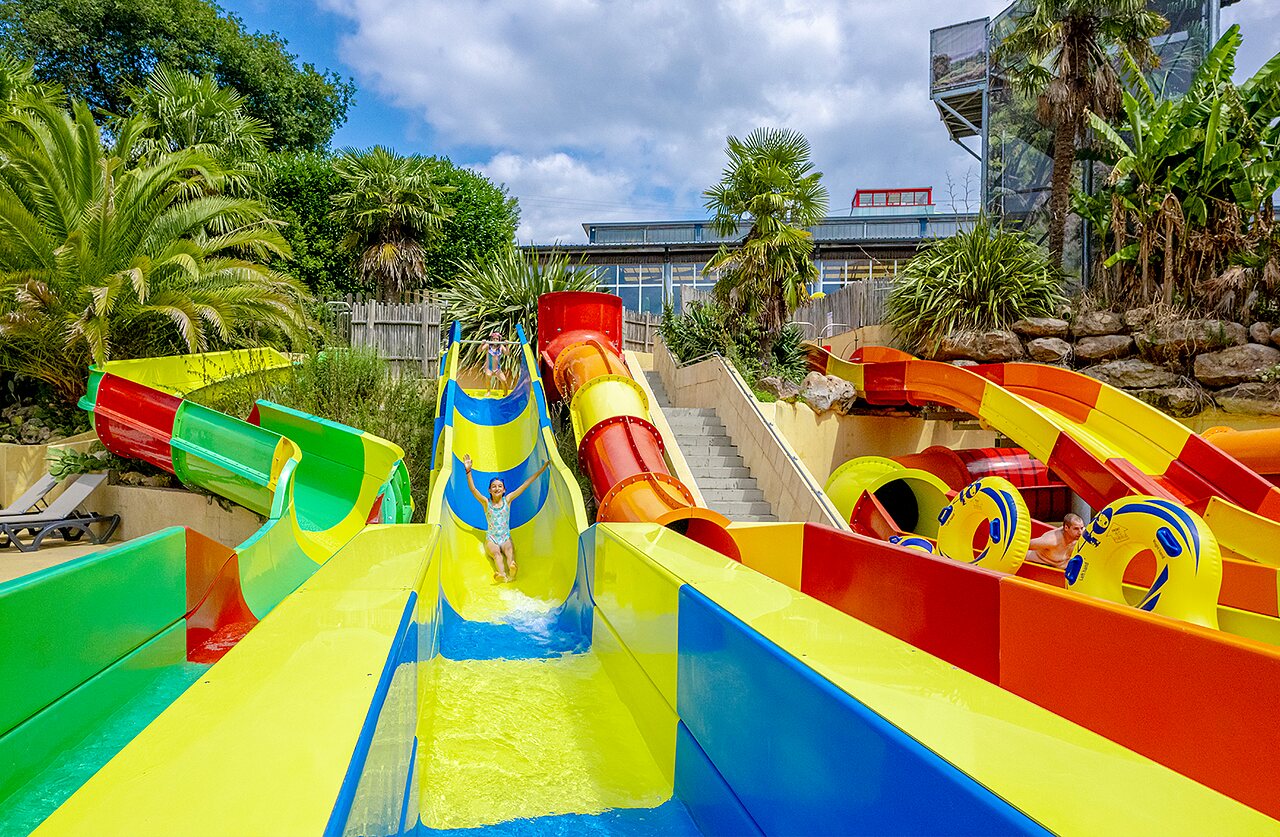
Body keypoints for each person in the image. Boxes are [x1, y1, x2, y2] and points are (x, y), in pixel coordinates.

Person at [463, 453, 549, 582]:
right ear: (489, 491)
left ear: (504, 490)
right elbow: (473, 490)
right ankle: (502, 574)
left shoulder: (507, 500)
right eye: (494, 486)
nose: (496, 488)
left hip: (505, 537)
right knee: (497, 554)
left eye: (499, 486)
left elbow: (525, 485)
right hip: (491, 538)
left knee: (509, 551)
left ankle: (512, 570)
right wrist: (468, 470)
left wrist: (541, 470)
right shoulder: (486, 503)